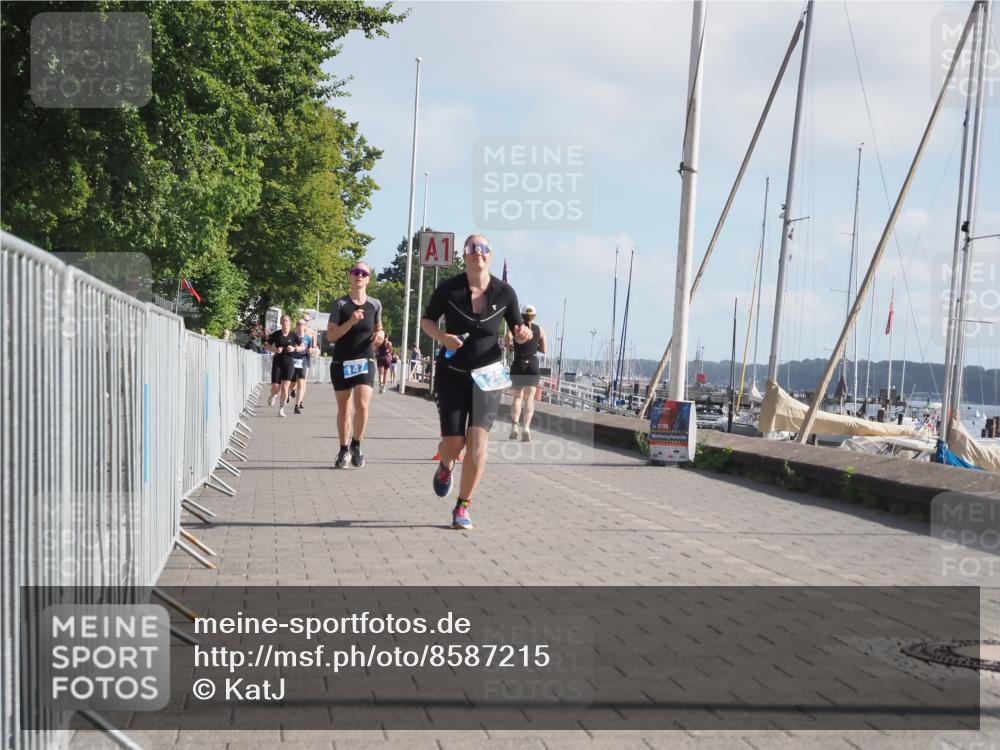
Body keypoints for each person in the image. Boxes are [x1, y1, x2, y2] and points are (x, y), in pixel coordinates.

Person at [420, 234, 532, 530]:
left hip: (488, 376)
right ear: (465, 255)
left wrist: (522, 334)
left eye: (483, 249)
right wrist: (443, 337)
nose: (478, 253)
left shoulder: (505, 292)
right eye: (472, 249)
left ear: (490, 256)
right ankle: (446, 464)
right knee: (455, 445)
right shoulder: (449, 288)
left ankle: (462, 506)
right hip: (452, 374)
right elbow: (427, 320)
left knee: (478, 442)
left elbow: (518, 326)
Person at [327, 262, 385, 468]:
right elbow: (331, 335)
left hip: (365, 358)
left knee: (362, 404)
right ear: (350, 277)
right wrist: (350, 321)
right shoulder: (340, 305)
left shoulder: (375, 304)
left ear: (368, 279)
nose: (359, 275)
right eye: (356, 272)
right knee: (344, 409)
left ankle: (357, 445)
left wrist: (381, 334)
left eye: (364, 273)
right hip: (342, 360)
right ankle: (343, 450)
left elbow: (379, 327)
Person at [504, 304, 547, 442]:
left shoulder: (515, 328)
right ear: (534, 316)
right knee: (529, 398)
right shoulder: (539, 330)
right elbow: (544, 349)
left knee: (517, 397)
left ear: (521, 315)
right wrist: (535, 345)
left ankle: (515, 426)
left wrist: (511, 347)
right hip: (532, 364)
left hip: (518, 363)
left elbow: (507, 341)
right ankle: (526, 428)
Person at [265, 314, 303, 417]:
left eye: (286, 321)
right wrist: (274, 350)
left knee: (285, 388)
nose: (285, 323)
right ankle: (273, 395)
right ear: (280, 323)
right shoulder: (277, 334)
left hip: (289, 363)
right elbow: (266, 345)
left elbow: (302, 346)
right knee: (276, 387)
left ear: (290, 322)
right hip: (277, 362)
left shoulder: (293, 335)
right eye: (283, 321)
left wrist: (294, 349)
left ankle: (281, 409)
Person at [291, 318, 317, 414]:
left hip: (303, 361)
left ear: (306, 326)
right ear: (296, 326)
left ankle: (297, 405)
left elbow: (312, 348)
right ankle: (289, 392)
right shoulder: (292, 337)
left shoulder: (308, 337)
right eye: (298, 324)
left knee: (301, 383)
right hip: (293, 362)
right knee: (292, 383)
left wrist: (311, 350)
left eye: (302, 324)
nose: (300, 325)